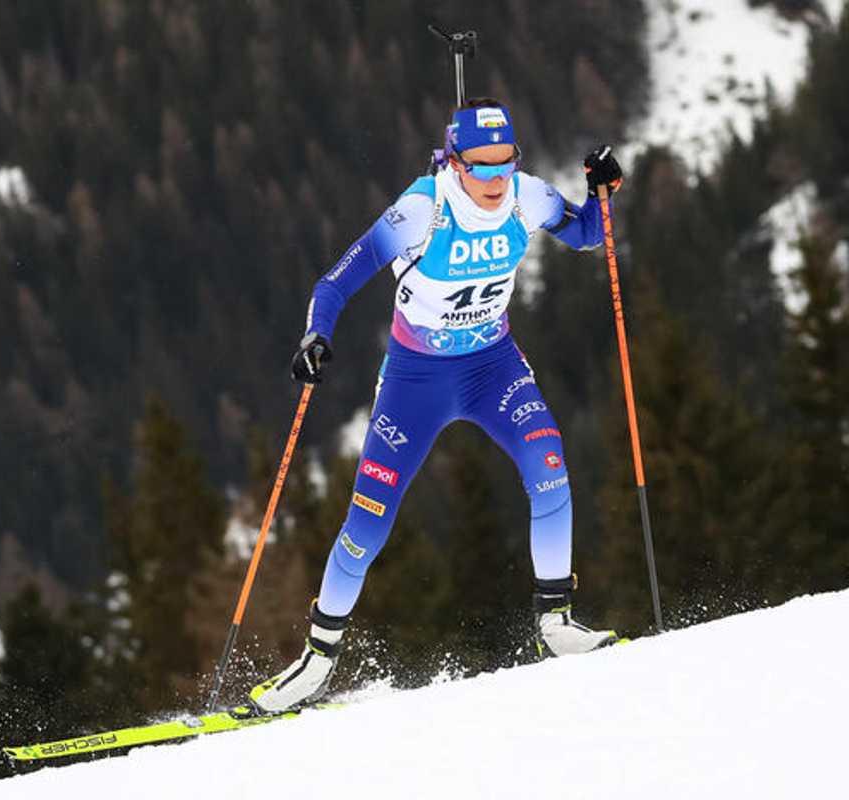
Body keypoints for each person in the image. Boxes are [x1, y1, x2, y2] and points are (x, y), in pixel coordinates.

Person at [250, 98, 624, 713]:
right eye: (482, 167)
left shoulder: (527, 195)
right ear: (454, 162)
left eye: (507, 164)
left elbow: (586, 233)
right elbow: (335, 282)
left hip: (491, 366)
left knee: (549, 466)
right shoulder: (422, 209)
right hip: (415, 380)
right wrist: (315, 335)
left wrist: (604, 190)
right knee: (367, 522)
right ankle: (317, 660)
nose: (497, 180)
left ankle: (554, 625)